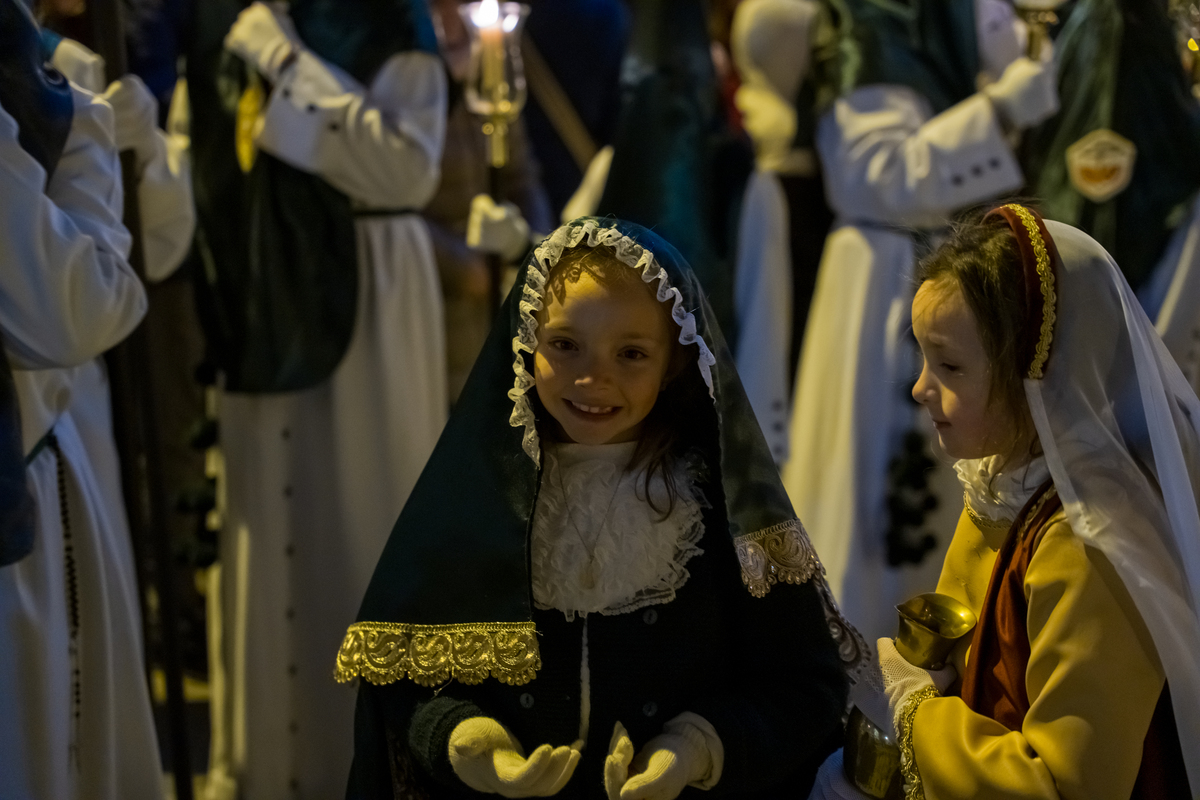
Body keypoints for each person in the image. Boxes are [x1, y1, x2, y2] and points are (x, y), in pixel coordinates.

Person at [338, 217, 861, 799]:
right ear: (526, 340)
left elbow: (804, 688)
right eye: (564, 345)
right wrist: (468, 741)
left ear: (677, 363)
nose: (593, 378)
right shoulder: (478, 507)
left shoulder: (719, 517)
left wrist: (694, 749)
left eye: (632, 353)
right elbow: (405, 681)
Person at [811, 204, 1198, 799]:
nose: (920, 387)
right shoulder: (1003, 484)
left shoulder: (1087, 546)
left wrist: (914, 711)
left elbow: (1065, 785)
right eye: (922, 358)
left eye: (950, 365)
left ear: (1036, 374)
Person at [187, 1, 449, 797]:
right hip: (261, 295)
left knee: (364, 517)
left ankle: (368, 767)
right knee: (266, 540)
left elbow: (409, 169)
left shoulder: (388, 22)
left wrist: (287, 62)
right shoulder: (225, 18)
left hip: (369, 292)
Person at [782, 0, 1061, 641]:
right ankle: (873, 679)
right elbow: (873, 176)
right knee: (879, 504)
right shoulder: (871, 19)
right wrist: (998, 112)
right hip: (885, 278)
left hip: (941, 271)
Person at [0, 1, 158, 796]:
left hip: (48, 428)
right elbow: (89, 304)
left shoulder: (54, 84)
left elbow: (153, 256)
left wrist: (132, 141)